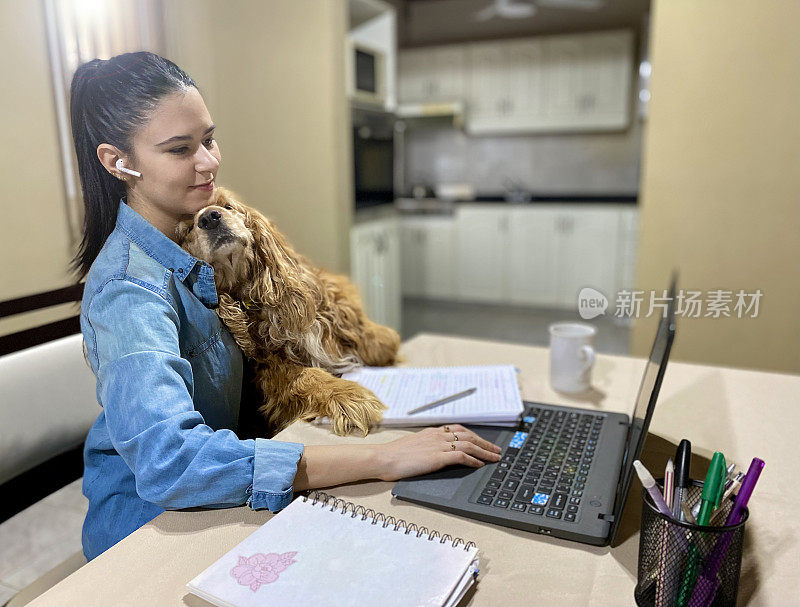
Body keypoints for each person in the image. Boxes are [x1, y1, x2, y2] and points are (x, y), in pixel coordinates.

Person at [69, 52, 501, 561]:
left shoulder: (191, 251)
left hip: (213, 500)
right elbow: (171, 464)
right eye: (180, 149)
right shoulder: (129, 290)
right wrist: (382, 458)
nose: (208, 161)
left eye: (208, 139)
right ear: (118, 161)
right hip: (149, 530)